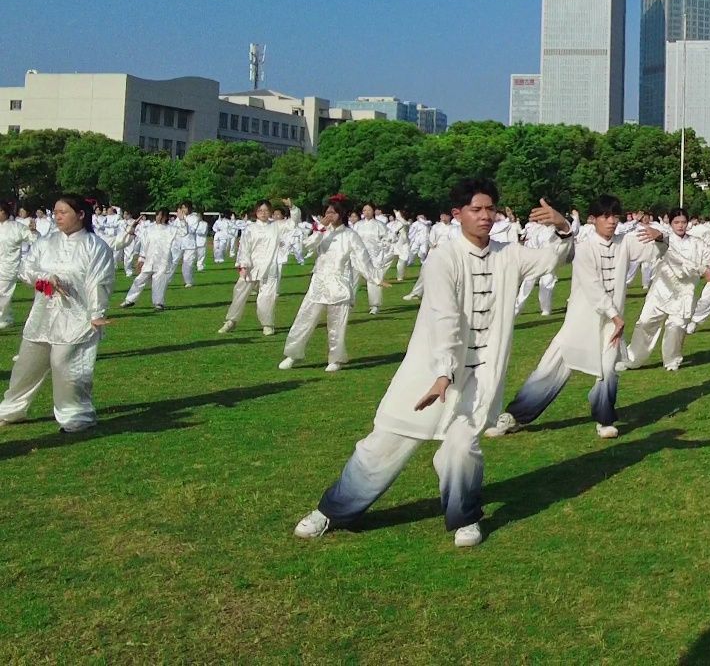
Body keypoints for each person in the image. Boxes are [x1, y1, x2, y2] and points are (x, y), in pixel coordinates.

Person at [293, 181, 573, 547]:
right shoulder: (443, 257)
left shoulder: (509, 255)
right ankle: (332, 511)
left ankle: (465, 517)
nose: (486, 216)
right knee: (384, 443)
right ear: (458, 214)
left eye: (491, 209)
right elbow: (443, 317)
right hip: (428, 375)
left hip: (479, 377)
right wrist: (443, 373)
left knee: (462, 448)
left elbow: (555, 258)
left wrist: (563, 225)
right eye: (477, 209)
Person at [486, 195, 666, 441]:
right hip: (580, 321)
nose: (611, 221)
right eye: (605, 216)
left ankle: (604, 419)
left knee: (608, 370)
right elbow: (592, 286)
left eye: (615, 216)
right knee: (548, 370)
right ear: (593, 219)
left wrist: (661, 238)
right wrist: (615, 316)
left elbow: (656, 252)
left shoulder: (625, 242)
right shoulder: (585, 246)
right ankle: (515, 416)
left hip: (610, 326)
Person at [0, 195, 117, 432]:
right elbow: (26, 270)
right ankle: (12, 409)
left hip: (77, 318)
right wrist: (44, 278)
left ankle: (76, 415)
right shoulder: (46, 243)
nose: (58, 216)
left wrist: (96, 313)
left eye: (63, 212)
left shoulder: (95, 247)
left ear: (81, 215)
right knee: (26, 365)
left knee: (66, 365)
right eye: (56, 212)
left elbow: (99, 282)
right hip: (42, 316)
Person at [280, 197, 391, 373]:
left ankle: (335, 358)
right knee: (304, 319)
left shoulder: (350, 235)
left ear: (342, 214)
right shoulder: (322, 232)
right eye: (327, 212)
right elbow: (307, 246)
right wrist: (320, 228)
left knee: (336, 325)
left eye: (333, 212)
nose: (329, 215)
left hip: (339, 284)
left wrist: (376, 278)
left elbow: (362, 259)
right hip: (318, 282)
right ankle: (293, 354)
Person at [622, 209, 706, 371]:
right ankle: (632, 359)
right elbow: (663, 241)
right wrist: (658, 236)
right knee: (645, 322)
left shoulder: (697, 243)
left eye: (683, 222)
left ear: (688, 223)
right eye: (676, 222)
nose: (680, 226)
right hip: (661, 290)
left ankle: (672, 361)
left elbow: (701, 262)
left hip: (684, 293)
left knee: (676, 326)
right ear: (670, 223)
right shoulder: (664, 238)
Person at [221, 200, 299, 335]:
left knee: (267, 297)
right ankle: (231, 321)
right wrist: (243, 265)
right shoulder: (250, 228)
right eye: (260, 210)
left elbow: (293, 223)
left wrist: (292, 208)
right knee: (239, 293)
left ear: (270, 212)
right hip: (252, 267)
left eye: (266, 210)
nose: (263, 213)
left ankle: (267, 324)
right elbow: (245, 248)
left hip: (270, 268)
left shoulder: (277, 226)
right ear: (256, 212)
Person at [120, 210, 175, 311]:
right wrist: (141, 259)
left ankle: (159, 303)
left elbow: (183, 234)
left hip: (163, 260)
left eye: (161, 215)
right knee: (139, 279)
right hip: (149, 260)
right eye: (158, 215)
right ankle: (129, 300)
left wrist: (183, 220)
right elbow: (144, 244)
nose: (159, 217)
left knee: (158, 282)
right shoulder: (150, 229)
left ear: (166, 217)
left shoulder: (171, 229)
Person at [0, 200, 38, 328]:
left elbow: (34, 240)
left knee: (3, 293)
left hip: (9, 265)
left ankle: (3, 319)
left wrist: (33, 231)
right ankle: (7, 316)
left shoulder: (17, 227)